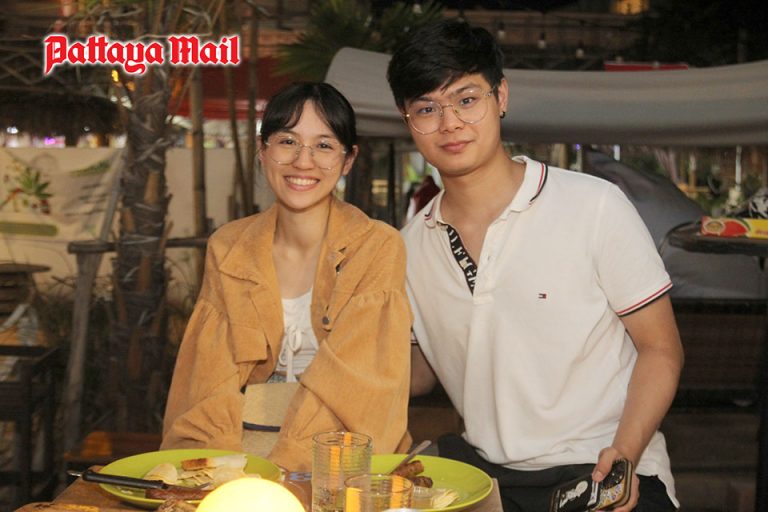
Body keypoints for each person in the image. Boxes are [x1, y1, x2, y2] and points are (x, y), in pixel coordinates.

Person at [387, 19, 684, 511]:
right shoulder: (407, 248)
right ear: (407, 119)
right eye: (426, 108)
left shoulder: (593, 205)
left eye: (466, 99)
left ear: (500, 96)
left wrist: (625, 455)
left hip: (604, 463)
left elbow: (661, 349)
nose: (450, 123)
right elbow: (417, 373)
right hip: (488, 477)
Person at [161, 82, 412, 470]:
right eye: (287, 142)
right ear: (263, 151)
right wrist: (214, 468)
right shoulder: (229, 246)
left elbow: (359, 386)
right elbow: (209, 380)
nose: (303, 161)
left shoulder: (377, 246)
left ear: (348, 159)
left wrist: (285, 469)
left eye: (323, 145)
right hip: (243, 445)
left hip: (338, 453)